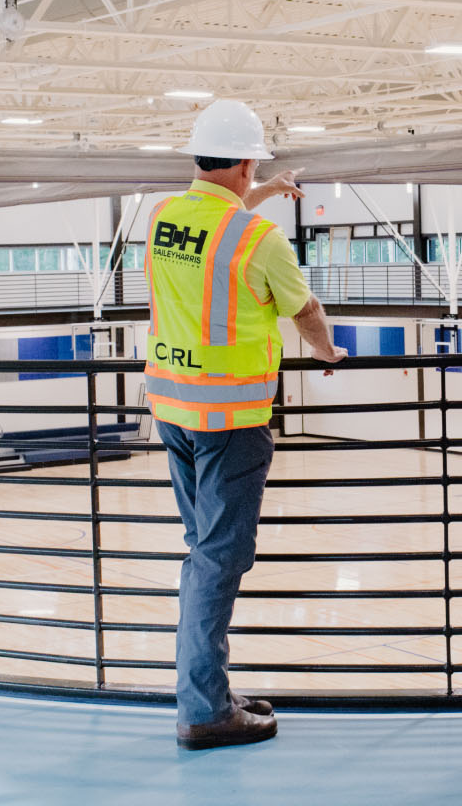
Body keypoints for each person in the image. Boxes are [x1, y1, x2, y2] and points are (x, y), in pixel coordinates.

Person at [144, 99, 347, 750]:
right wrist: (325, 350)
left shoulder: (164, 218)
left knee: (203, 552)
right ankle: (203, 709)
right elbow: (304, 307)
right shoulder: (260, 239)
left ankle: (211, 688)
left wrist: (259, 192)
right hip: (230, 421)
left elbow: (218, 228)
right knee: (217, 560)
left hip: (174, 412)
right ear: (246, 161)